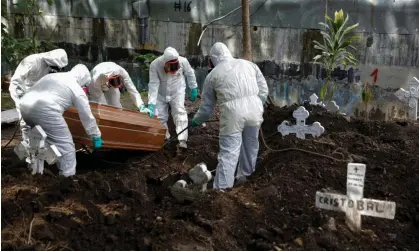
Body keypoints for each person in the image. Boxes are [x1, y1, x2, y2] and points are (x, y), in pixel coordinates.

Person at [191, 42, 269, 189]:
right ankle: (244, 178)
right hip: (255, 112)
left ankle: (221, 190)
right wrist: (256, 105)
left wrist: (195, 121)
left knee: (229, 153)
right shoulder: (249, 65)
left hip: (233, 116)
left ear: (212, 59)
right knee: (250, 147)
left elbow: (207, 109)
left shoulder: (212, 76)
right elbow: (264, 91)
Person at [19, 64, 103, 177]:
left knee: (38, 138)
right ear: (82, 79)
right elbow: (86, 114)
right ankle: (67, 178)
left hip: (24, 106)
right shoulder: (75, 87)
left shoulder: (52, 76)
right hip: (45, 110)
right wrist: (95, 135)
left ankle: (33, 167)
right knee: (66, 146)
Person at [9, 49, 69, 142]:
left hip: (40, 97)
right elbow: (16, 82)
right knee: (26, 124)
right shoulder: (31, 61)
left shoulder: (51, 67)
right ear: (51, 61)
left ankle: (40, 149)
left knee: (43, 123)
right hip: (24, 95)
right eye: (55, 67)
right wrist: (20, 101)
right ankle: (29, 150)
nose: (56, 69)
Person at [147, 47, 198, 149]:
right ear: (165, 64)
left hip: (177, 91)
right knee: (159, 116)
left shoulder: (183, 61)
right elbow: (153, 84)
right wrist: (152, 103)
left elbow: (190, 73)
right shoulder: (155, 65)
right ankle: (165, 138)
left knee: (179, 112)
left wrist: (193, 87)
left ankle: (182, 140)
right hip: (160, 94)